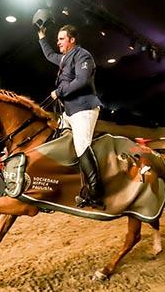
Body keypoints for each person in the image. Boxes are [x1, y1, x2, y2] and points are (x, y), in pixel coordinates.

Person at [38, 24, 104, 208]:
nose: (58, 42)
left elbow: (82, 80)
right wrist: (42, 37)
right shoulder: (64, 58)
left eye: (61, 39)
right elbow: (50, 55)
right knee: (56, 140)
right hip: (69, 112)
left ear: (72, 40)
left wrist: (59, 91)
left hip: (84, 108)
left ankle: (95, 193)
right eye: (57, 39)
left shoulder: (83, 55)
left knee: (81, 145)